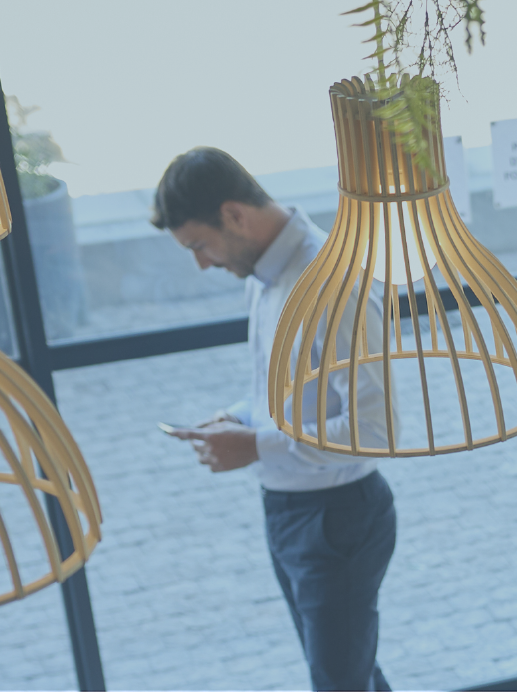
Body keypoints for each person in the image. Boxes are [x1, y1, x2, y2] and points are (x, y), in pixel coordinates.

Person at [154, 147, 398, 691]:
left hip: (339, 519)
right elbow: (288, 391)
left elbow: (375, 432)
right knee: (349, 674)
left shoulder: (333, 282)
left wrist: (257, 445)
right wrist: (237, 420)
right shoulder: (263, 276)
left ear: (234, 215)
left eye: (199, 244)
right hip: (291, 509)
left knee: (339, 681)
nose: (201, 262)